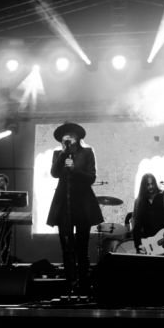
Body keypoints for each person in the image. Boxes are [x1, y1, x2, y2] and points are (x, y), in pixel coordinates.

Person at [47, 121, 103, 295]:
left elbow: (91, 177)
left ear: (77, 137)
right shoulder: (58, 154)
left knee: (81, 247)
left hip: (82, 203)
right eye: (65, 135)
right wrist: (64, 154)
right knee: (66, 247)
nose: (68, 137)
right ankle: (70, 283)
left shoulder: (87, 152)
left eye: (71, 134)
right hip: (63, 203)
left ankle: (84, 284)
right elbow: (54, 173)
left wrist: (74, 170)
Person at [132, 173, 164, 255]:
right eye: (147, 185)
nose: (151, 186)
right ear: (143, 186)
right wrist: (138, 245)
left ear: (155, 183)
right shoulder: (139, 202)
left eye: (152, 183)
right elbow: (136, 226)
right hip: (148, 245)